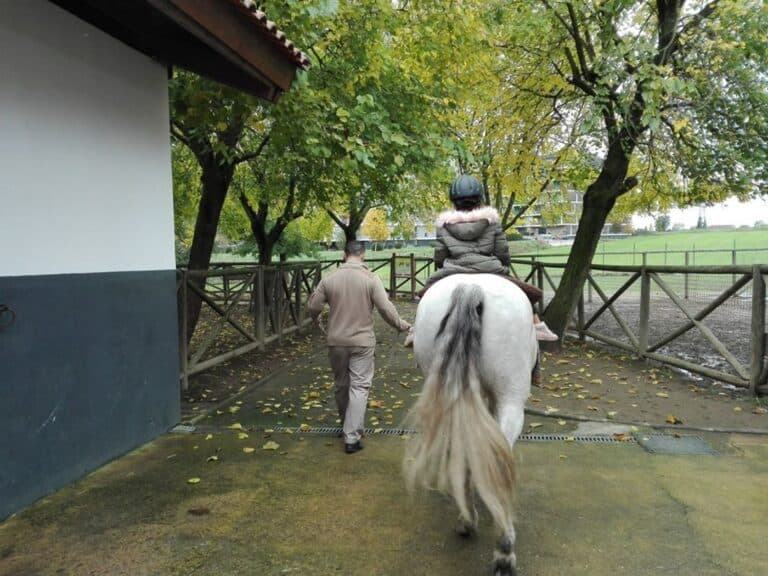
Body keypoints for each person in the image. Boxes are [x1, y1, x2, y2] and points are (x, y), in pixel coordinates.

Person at [408, 174, 558, 344]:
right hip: (490, 269)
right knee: (525, 293)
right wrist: (503, 264)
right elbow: (502, 252)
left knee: (425, 295)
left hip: (453, 270)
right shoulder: (492, 222)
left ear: (454, 201)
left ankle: (416, 330)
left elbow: (440, 256)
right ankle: (538, 326)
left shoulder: (444, 226)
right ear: (479, 199)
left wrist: (442, 265)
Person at [308, 241, 411, 454]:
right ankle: (351, 438)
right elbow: (385, 308)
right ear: (363, 255)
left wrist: (315, 317)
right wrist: (400, 325)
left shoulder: (329, 278)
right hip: (362, 342)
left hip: (336, 341)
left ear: (344, 254)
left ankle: (346, 426)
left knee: (341, 385)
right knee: (360, 387)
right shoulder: (371, 279)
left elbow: (313, 306)